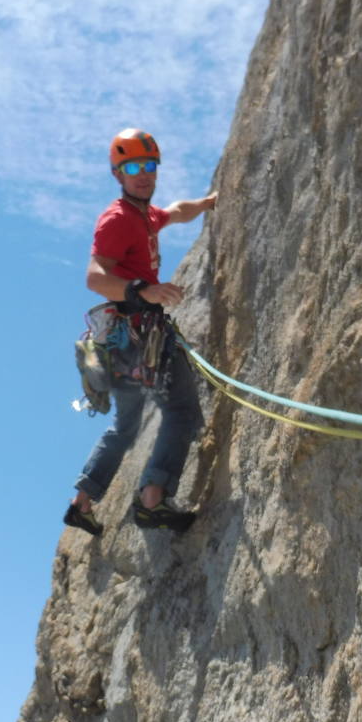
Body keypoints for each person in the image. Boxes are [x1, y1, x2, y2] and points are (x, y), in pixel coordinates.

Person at [63, 129, 217, 537]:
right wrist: (142, 291)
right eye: (132, 167)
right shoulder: (117, 219)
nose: (143, 174)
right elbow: (95, 277)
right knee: (181, 411)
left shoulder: (146, 215)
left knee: (126, 427)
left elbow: (175, 212)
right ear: (118, 174)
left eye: (149, 166)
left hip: (124, 340)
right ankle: (152, 500)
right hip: (136, 335)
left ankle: (83, 503)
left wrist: (207, 203)